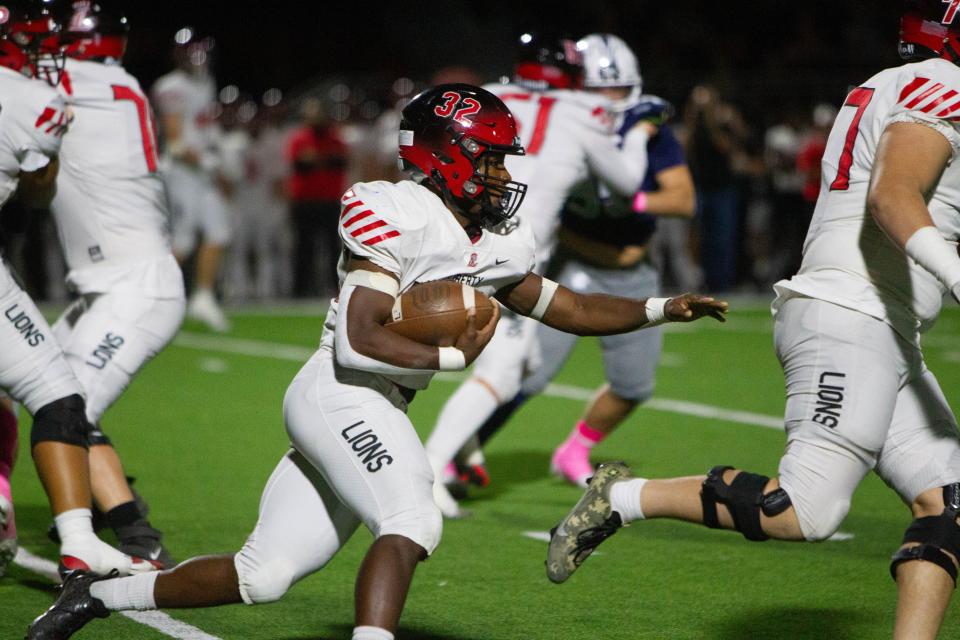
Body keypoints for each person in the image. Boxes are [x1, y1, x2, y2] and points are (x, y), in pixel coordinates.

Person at [26, 84, 727, 640]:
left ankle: (97, 595)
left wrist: (663, 308)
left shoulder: (493, 237)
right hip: (341, 391)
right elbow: (355, 338)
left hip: (377, 402)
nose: (501, 173)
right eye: (489, 158)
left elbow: (566, 306)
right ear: (446, 155)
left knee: (260, 575)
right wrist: (455, 352)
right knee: (412, 519)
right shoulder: (394, 210)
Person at [547, 4, 960, 638]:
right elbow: (892, 196)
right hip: (850, 316)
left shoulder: (889, 85)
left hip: (881, 325)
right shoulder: (944, 86)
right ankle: (623, 499)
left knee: (951, 501)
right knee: (803, 510)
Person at [423, 33, 666, 516]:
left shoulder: (493, 94)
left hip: (457, 225)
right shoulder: (584, 110)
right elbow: (627, 183)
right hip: (506, 247)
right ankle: (430, 470)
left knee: (525, 363)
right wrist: (637, 133)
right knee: (502, 373)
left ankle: (463, 450)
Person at [0, 0, 154, 577]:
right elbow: (38, 193)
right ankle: (78, 542)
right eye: (37, 46)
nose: (47, 57)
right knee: (57, 395)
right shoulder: (36, 100)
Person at [44, 0, 183, 567]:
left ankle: (136, 537)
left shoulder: (86, 84)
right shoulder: (97, 83)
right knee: (43, 394)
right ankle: (107, 505)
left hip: (136, 287)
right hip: (103, 285)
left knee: (67, 410)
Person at [525, 34, 696, 487]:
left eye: (617, 90)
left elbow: (681, 200)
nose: (609, 101)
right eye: (598, 91)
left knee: (633, 385)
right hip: (571, 264)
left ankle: (574, 450)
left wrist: (629, 200)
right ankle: (459, 453)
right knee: (525, 374)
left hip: (632, 271)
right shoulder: (564, 130)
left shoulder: (650, 132)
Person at [151, 27, 231, 332]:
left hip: (203, 171)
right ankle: (154, 298)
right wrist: (208, 161)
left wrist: (214, 159)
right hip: (182, 171)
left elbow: (204, 131)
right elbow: (175, 142)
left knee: (218, 231)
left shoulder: (206, 83)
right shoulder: (171, 86)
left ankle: (203, 298)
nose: (198, 58)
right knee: (183, 239)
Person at [285, 97, 348, 298]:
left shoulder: (335, 138)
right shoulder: (299, 138)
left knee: (332, 247)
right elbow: (300, 164)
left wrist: (316, 159)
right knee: (304, 247)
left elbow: (339, 161)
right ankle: (301, 289)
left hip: (329, 200)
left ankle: (335, 287)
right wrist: (321, 160)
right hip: (305, 201)